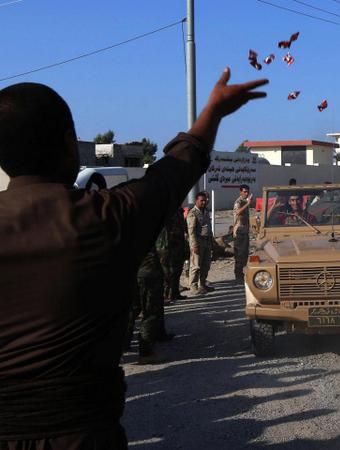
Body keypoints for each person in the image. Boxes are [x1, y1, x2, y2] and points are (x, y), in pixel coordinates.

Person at [0, 69, 267, 447]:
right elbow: (176, 168)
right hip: (83, 437)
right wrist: (214, 111)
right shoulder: (105, 218)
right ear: (67, 144)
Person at [187, 191, 214, 295]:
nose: (204, 202)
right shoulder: (193, 213)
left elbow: (208, 227)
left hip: (206, 241)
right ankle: (193, 286)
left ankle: (202, 284)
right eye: (201, 200)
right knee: (196, 265)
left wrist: (212, 241)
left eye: (205, 200)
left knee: (206, 265)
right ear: (196, 201)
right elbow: (191, 231)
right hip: (198, 242)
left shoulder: (206, 211)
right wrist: (194, 245)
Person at [159, 208, 187, 302]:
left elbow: (183, 227)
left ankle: (175, 293)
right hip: (168, 246)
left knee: (177, 270)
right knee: (167, 272)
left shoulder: (179, 211)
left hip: (179, 245)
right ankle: (166, 295)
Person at [233, 184, 252, 282]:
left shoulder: (245, 201)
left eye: (247, 191)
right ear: (240, 192)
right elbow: (237, 212)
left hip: (245, 231)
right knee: (239, 254)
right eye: (244, 191)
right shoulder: (239, 202)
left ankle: (242, 274)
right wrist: (247, 204)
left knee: (245, 254)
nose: (246, 193)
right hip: (239, 232)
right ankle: (238, 275)